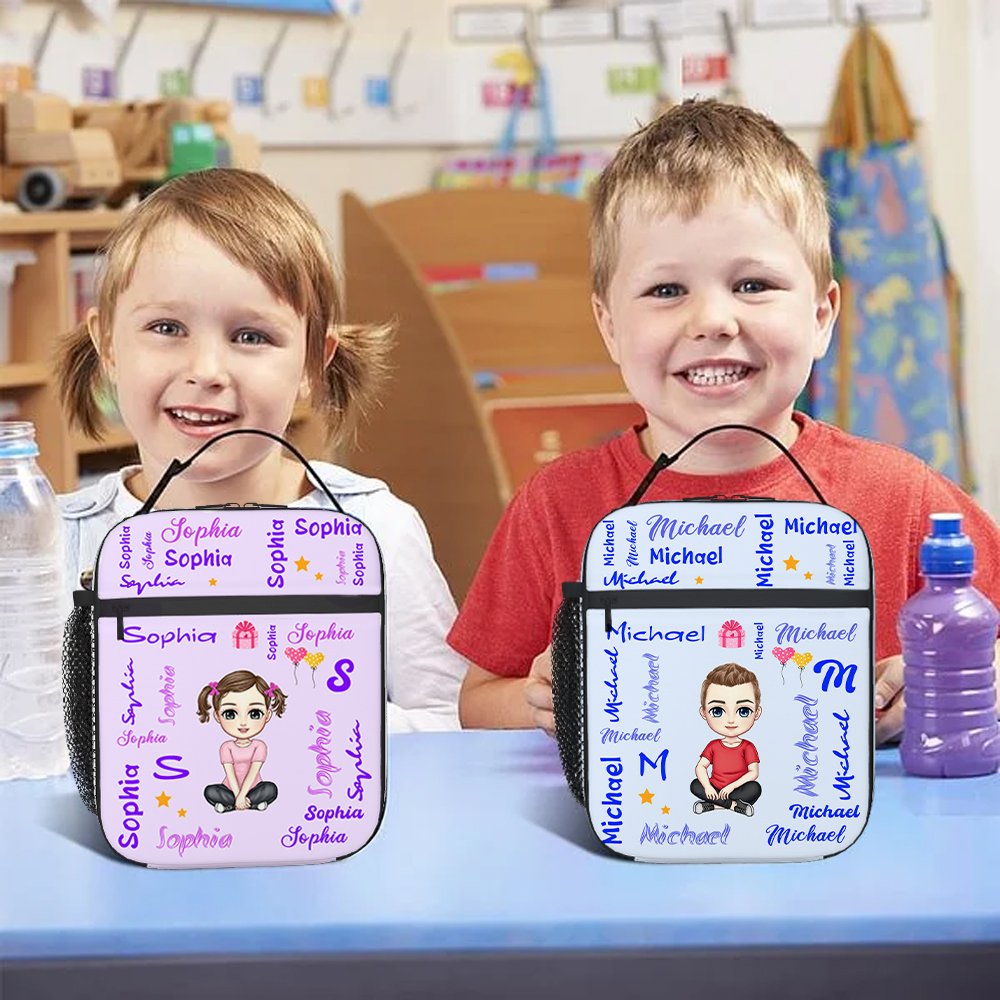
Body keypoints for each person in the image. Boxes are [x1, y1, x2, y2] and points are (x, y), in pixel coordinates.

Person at [447, 99, 1000, 745]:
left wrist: (952, 681)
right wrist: (538, 701)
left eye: (753, 285)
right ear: (609, 326)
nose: (712, 320)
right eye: (666, 291)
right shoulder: (555, 508)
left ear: (821, 317)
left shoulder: (904, 499)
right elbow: (478, 701)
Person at [56, 168, 466, 733]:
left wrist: (322, 725)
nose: (205, 370)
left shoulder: (376, 531)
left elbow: (449, 723)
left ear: (312, 363)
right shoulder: (55, 546)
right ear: (108, 344)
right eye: (167, 328)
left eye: (251, 336)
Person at [197, 670, 286, 814]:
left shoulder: (259, 746)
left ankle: (231, 806)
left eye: (254, 714)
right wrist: (238, 796)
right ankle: (250, 804)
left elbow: (253, 772)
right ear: (218, 716)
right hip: (230, 790)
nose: (243, 722)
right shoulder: (226, 747)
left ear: (267, 715)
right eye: (230, 714)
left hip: (253, 789)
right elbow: (230, 774)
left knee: (270, 789)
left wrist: (243, 796)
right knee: (210, 791)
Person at [692, 663, 762, 818]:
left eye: (743, 711)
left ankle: (713, 806)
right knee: (695, 785)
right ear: (704, 712)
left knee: (755, 788)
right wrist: (708, 787)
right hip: (715, 788)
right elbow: (701, 767)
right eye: (717, 711)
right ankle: (734, 806)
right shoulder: (713, 746)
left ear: (757, 712)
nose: (731, 720)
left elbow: (753, 773)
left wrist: (732, 787)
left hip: (737, 789)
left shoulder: (748, 747)